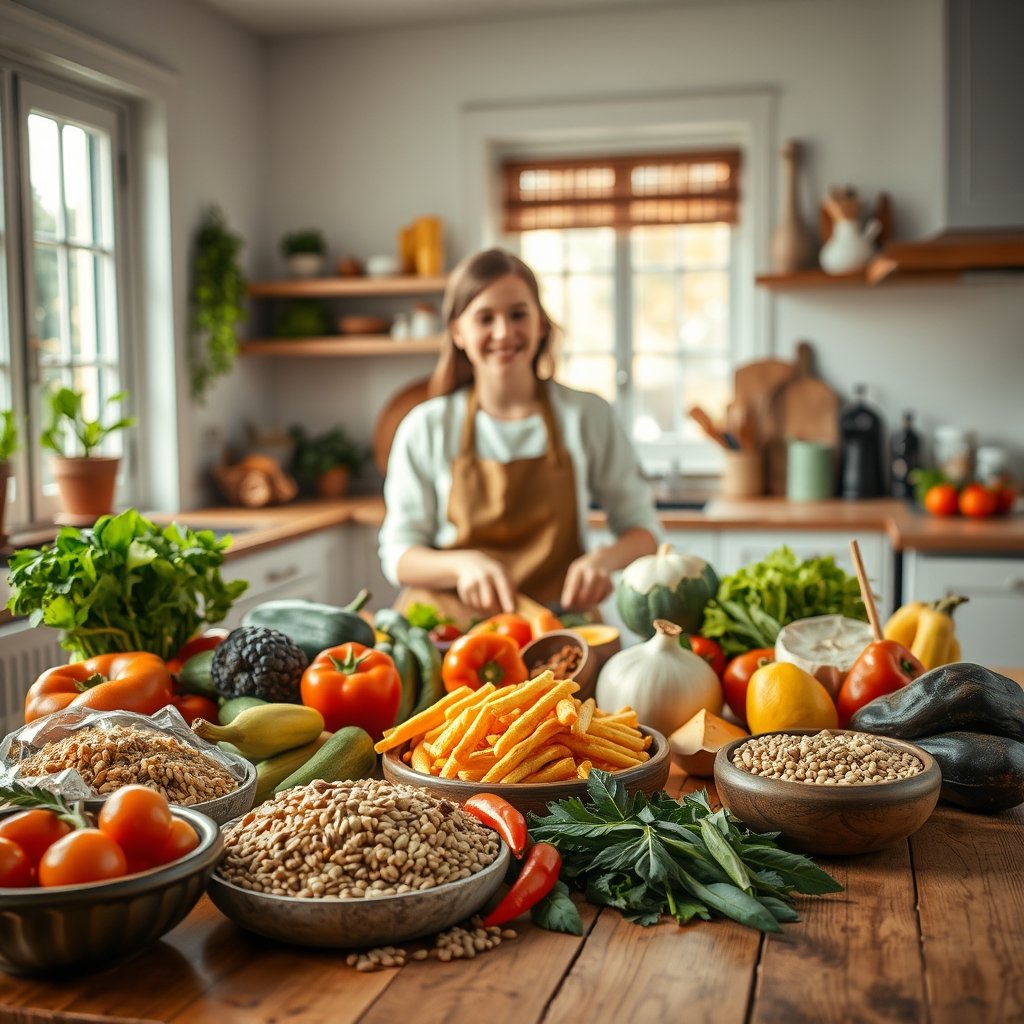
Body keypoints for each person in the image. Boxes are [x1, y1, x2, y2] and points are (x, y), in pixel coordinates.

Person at [378, 247, 659, 618]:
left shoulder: (586, 415)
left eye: (518, 314)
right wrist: (463, 565)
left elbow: (644, 532)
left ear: (541, 324)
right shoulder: (426, 426)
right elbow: (398, 555)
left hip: (558, 623)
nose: (504, 332)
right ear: (458, 332)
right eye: (485, 318)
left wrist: (603, 560)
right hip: (450, 630)